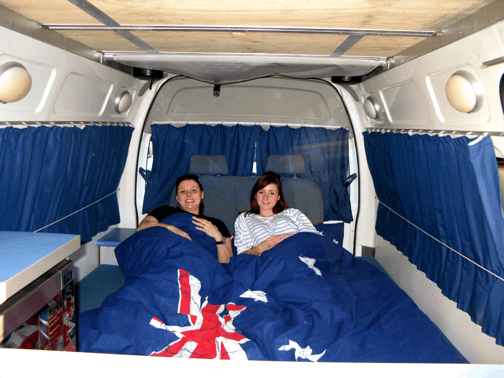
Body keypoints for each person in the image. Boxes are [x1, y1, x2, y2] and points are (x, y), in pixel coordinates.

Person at [138, 174, 233, 263]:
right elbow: (142, 227)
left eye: (194, 190)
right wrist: (171, 229)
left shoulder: (217, 223)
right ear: (177, 197)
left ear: (202, 194)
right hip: (165, 256)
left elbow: (228, 262)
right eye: (183, 191)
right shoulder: (165, 211)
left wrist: (218, 237)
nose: (188, 195)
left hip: (198, 263)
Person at [234, 171, 319, 255]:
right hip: (268, 263)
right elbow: (241, 256)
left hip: (298, 258)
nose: (265, 197)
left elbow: (315, 239)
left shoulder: (293, 213)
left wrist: (286, 238)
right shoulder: (244, 219)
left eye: (272, 193)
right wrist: (259, 249)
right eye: (261, 192)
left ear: (278, 197)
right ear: (255, 195)